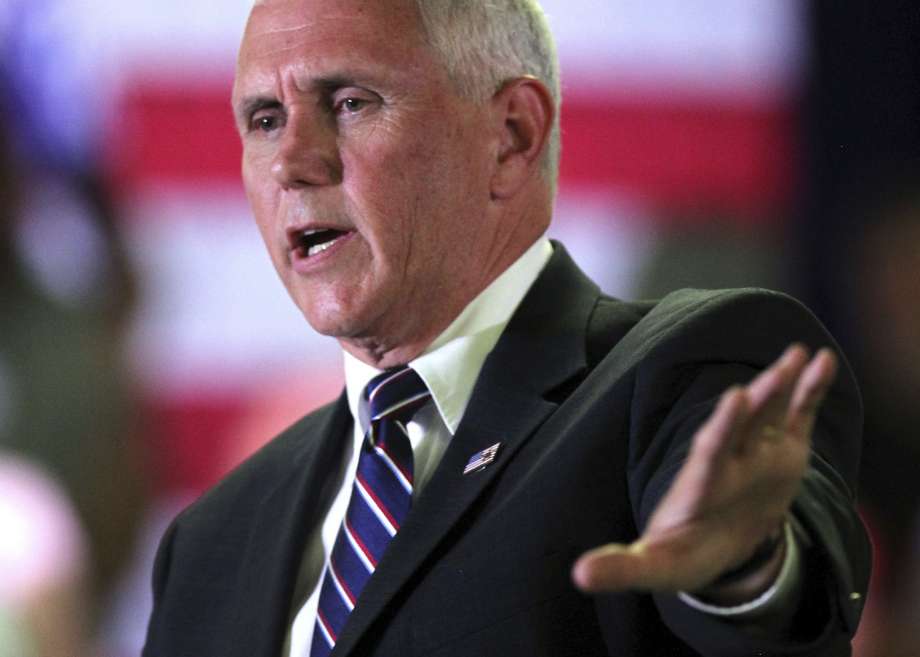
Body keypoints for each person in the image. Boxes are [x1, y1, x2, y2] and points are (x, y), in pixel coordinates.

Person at [142, 1, 870, 655]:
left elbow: (782, 604)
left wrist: (744, 569)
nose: (292, 164)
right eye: (265, 119)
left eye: (352, 102)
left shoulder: (682, 373)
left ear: (512, 136)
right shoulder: (209, 544)